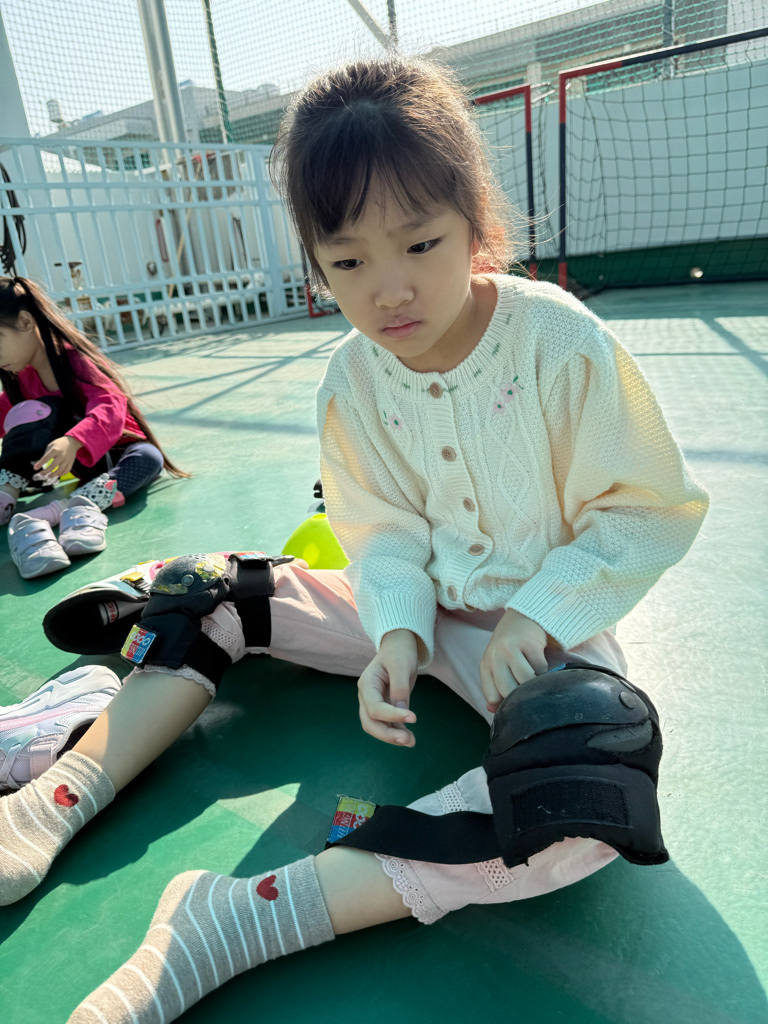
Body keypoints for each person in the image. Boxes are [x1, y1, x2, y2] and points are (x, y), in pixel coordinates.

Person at [0, 54, 708, 1023]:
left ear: (474, 221)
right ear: (317, 261)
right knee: (215, 595)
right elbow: (379, 532)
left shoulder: (561, 343)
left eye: (420, 243)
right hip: (410, 612)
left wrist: (539, 614)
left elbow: (646, 507)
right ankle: (53, 798)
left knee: (585, 794)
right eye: (348, 262)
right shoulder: (351, 379)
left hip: (539, 647)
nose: (389, 292)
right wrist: (399, 632)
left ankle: (235, 917)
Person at [0, 275, 188, 577]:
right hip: (71, 466)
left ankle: (80, 505)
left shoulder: (74, 361)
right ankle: (5, 495)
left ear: (25, 322)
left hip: (117, 457)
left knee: (148, 457)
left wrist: (73, 441)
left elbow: (110, 402)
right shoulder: (22, 379)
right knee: (25, 418)